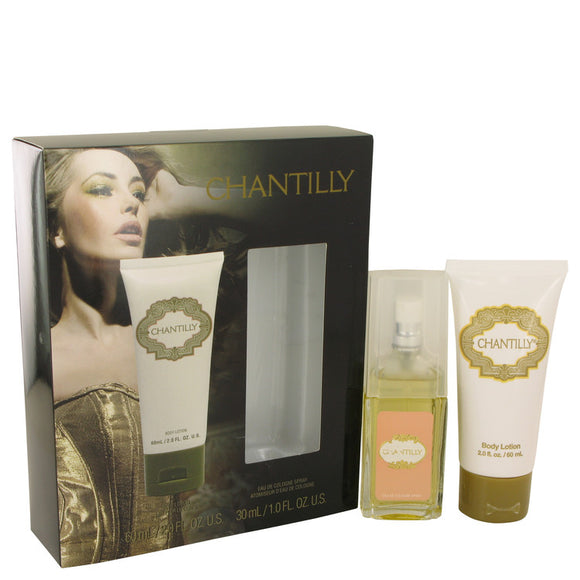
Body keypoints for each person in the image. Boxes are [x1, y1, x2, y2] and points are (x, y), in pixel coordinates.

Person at [45, 147, 250, 565]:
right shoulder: (33, 361)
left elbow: (312, 215)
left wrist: (182, 199)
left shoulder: (171, 340)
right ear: (56, 229)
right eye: (101, 189)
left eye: (138, 193)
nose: (131, 204)